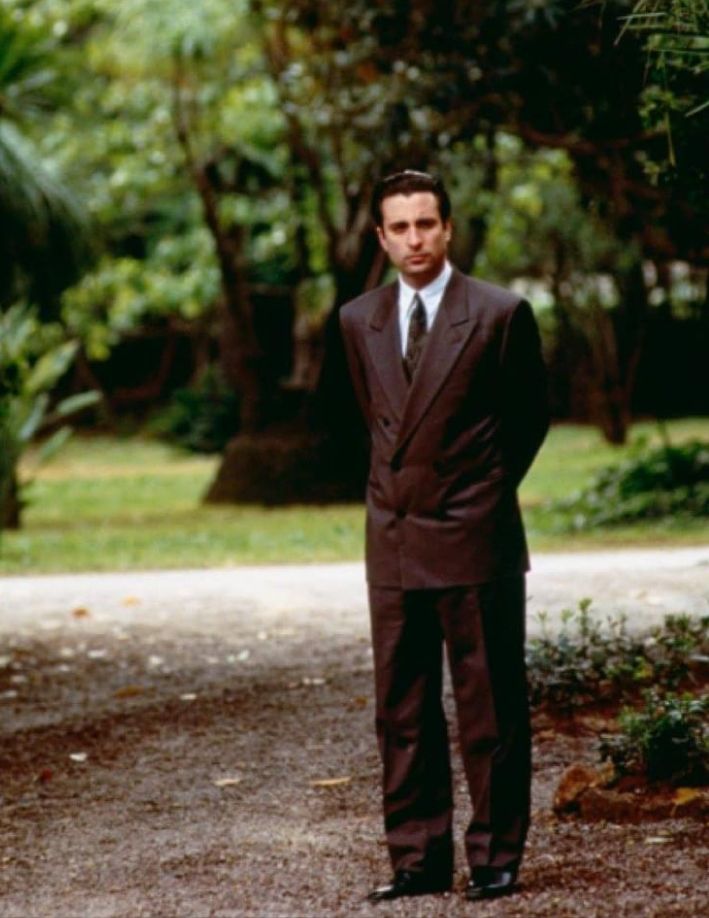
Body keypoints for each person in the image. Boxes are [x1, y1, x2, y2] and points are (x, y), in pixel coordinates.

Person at [338, 170, 549, 903]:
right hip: (391, 538)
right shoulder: (357, 318)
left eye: (425, 224)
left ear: (448, 228)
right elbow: (368, 422)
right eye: (398, 227)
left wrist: (477, 494)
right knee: (400, 708)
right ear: (381, 237)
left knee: (488, 703)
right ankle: (416, 859)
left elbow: (527, 420)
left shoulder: (498, 313)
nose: (413, 239)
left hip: (473, 533)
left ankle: (494, 855)